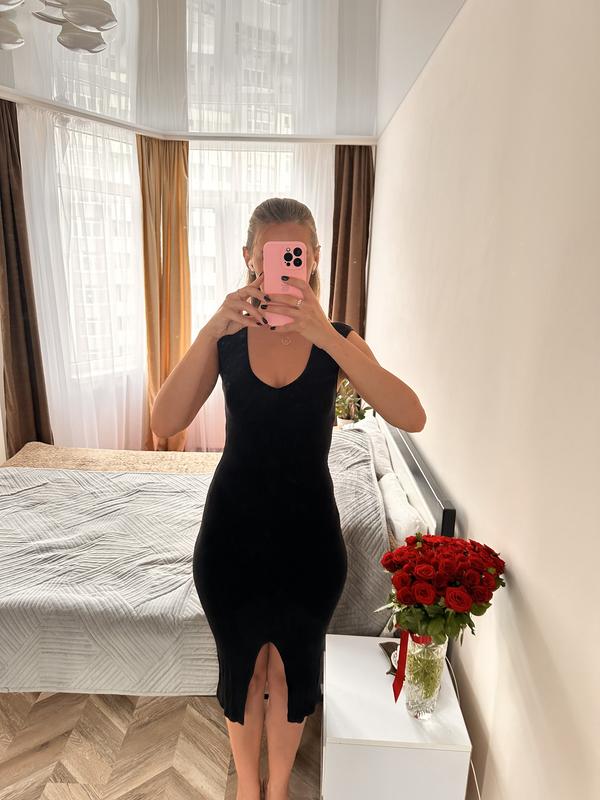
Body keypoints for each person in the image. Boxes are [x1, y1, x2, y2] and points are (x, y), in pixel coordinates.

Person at [151, 197, 426, 800]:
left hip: (310, 539)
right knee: (243, 671)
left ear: (314, 258)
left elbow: (412, 415)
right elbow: (165, 421)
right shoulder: (226, 339)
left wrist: (327, 335)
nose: (284, 265)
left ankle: (277, 792)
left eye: (296, 253)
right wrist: (210, 328)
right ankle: (248, 790)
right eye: (272, 253)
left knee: (293, 670)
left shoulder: (337, 340)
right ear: (250, 258)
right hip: (230, 536)